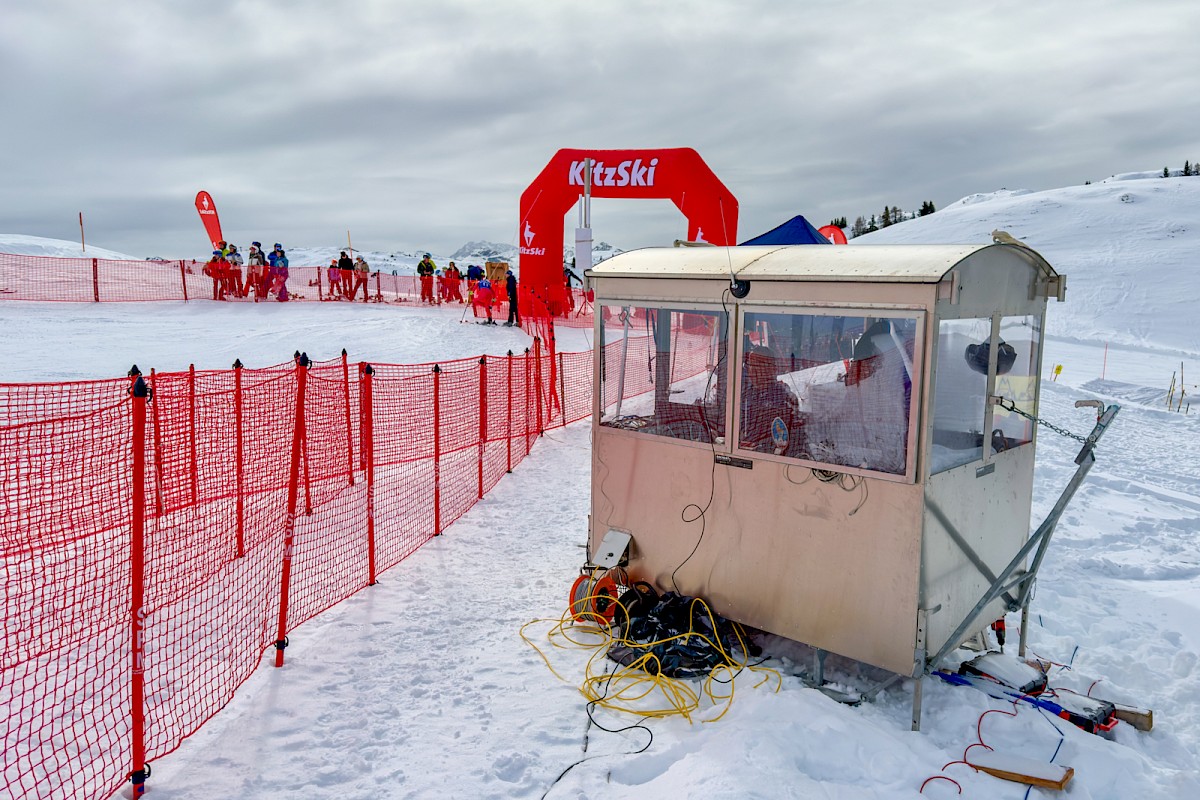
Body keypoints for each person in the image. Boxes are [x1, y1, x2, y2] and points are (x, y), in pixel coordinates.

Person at [739, 345, 803, 455]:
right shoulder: (745, 395)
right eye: (750, 366)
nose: (753, 371)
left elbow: (788, 438)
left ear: (772, 369)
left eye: (758, 366)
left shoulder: (783, 397)